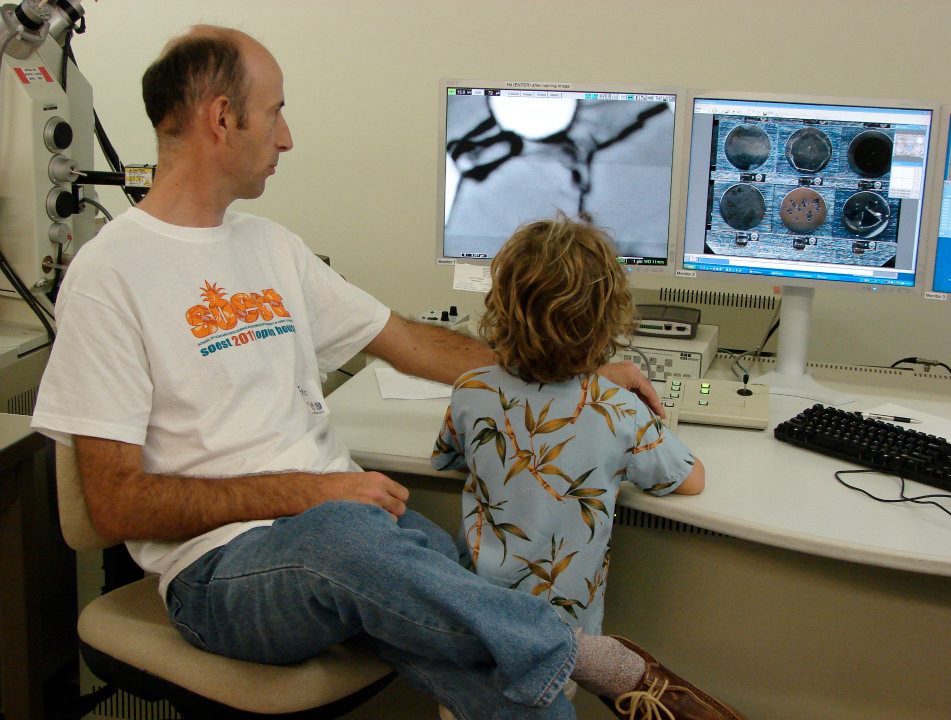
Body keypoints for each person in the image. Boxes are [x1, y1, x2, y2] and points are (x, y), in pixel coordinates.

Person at [30, 25, 744, 720]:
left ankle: (567, 666)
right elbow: (116, 506)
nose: (286, 137)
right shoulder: (110, 274)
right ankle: (596, 658)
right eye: (275, 113)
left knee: (481, 643)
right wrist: (312, 492)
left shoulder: (270, 248)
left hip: (350, 539)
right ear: (223, 118)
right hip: (219, 573)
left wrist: (560, 367)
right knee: (359, 544)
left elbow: (406, 341)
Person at [431, 214, 704, 636]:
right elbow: (691, 480)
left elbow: (446, 458)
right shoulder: (618, 410)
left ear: (502, 308)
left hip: (478, 619)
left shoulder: (471, 390)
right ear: (606, 322)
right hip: (564, 635)